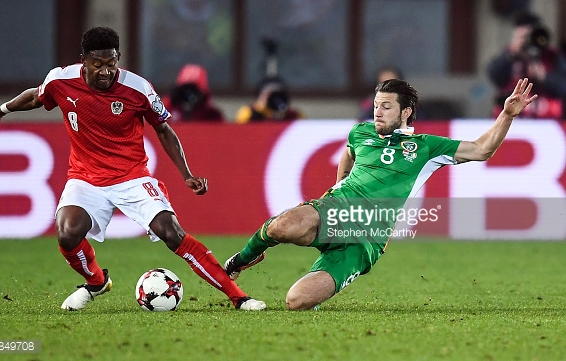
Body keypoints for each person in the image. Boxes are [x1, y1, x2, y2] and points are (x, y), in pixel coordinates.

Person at [0, 27, 265, 311]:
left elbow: (164, 129)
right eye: (97, 64)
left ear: (118, 58)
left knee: (172, 233)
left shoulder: (138, 88)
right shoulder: (61, 80)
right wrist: (2, 110)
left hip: (132, 176)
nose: (105, 71)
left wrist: (187, 174)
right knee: (67, 233)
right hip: (85, 177)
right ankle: (95, 282)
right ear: (84, 60)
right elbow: (35, 97)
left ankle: (239, 297)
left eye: (111, 63)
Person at [224, 78, 536, 310]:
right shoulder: (361, 133)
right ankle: (243, 259)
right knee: (283, 226)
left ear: (406, 112)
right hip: (337, 208)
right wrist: (338, 187)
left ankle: (326, 278)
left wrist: (507, 114)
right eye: (376, 106)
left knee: (296, 301)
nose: (378, 112)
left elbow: (482, 150)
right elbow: (348, 154)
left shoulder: (427, 147)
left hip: (367, 238)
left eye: (386, 107)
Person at [487, 10, 566, 118]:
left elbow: (562, 87)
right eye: (525, 36)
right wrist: (513, 51)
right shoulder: (510, 56)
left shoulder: (552, 56)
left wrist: (544, 77)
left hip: (547, 121)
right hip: (509, 119)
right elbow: (494, 75)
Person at [235, 76, 303, 123]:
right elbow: (240, 131)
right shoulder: (249, 111)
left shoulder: (293, 114)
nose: (274, 98)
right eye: (270, 94)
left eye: (278, 94)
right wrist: (260, 111)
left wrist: (284, 113)